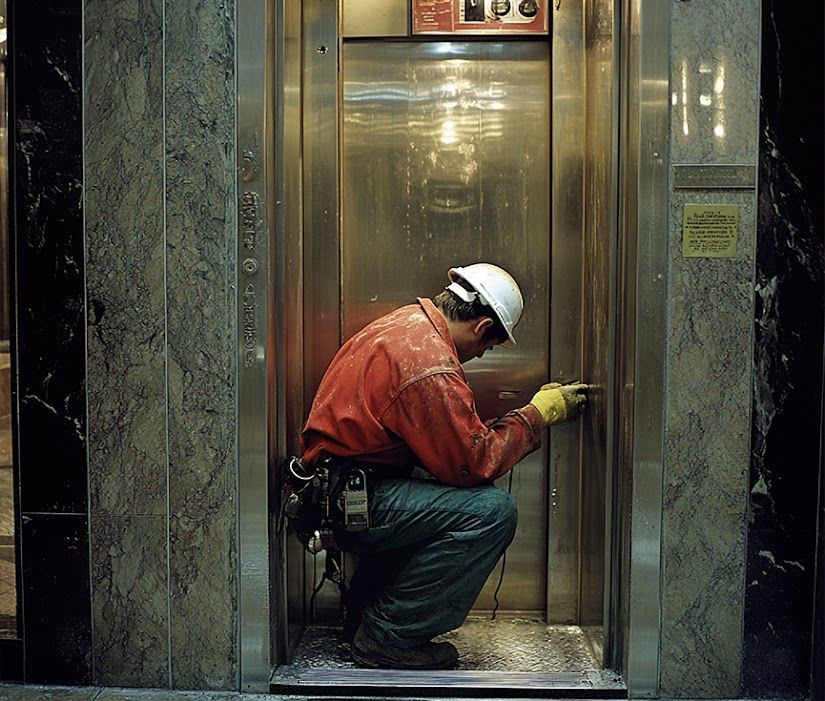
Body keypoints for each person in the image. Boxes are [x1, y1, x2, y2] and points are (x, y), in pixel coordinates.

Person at [300, 263, 588, 670]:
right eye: (488, 347)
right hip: (356, 500)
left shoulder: (407, 324)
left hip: (342, 488)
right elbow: (473, 463)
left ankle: (368, 615)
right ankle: (387, 636)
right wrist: (537, 416)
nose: (481, 356)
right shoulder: (429, 365)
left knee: (435, 497)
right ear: (481, 326)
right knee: (491, 513)